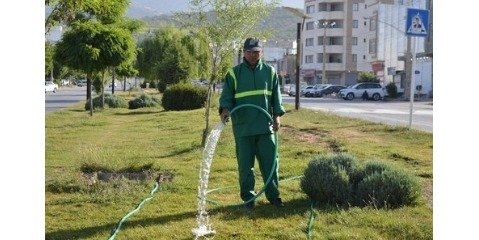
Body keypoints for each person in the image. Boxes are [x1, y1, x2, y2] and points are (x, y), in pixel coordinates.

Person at [219, 37, 286, 209]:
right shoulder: (234, 74)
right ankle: (248, 198)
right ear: (244, 52)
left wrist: (277, 116)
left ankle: (274, 196)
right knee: (245, 166)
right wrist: (225, 110)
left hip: (265, 127)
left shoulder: (270, 72)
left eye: (256, 52)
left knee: (270, 163)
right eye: (249, 52)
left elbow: (276, 98)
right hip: (243, 128)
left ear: (261, 52)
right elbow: (226, 97)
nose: (253, 55)